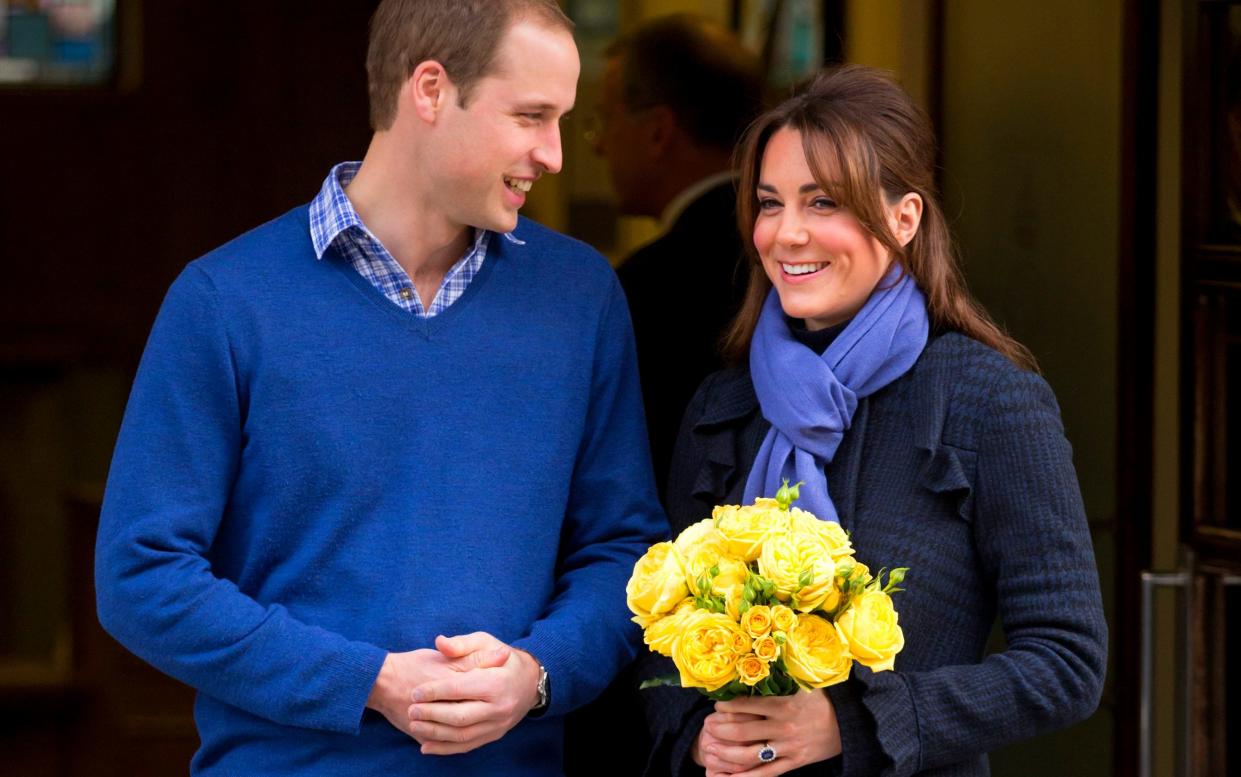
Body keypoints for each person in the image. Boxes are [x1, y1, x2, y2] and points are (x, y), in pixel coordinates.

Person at [94, 1, 665, 775]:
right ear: (429, 90)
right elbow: (142, 574)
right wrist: (369, 681)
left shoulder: (579, 298)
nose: (556, 154)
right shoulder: (225, 301)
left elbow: (625, 549)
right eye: (531, 116)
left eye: (561, 119)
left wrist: (539, 673)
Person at [643, 65, 1107, 777]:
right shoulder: (722, 406)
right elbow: (661, 640)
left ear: (904, 216)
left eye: (823, 202)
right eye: (770, 203)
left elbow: (1066, 663)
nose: (787, 233)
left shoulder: (987, 400)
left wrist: (850, 722)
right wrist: (694, 736)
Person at [589, 14, 763, 498]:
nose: (599, 145)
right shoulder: (790, 255)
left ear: (658, 131)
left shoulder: (649, 284)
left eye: (606, 118)